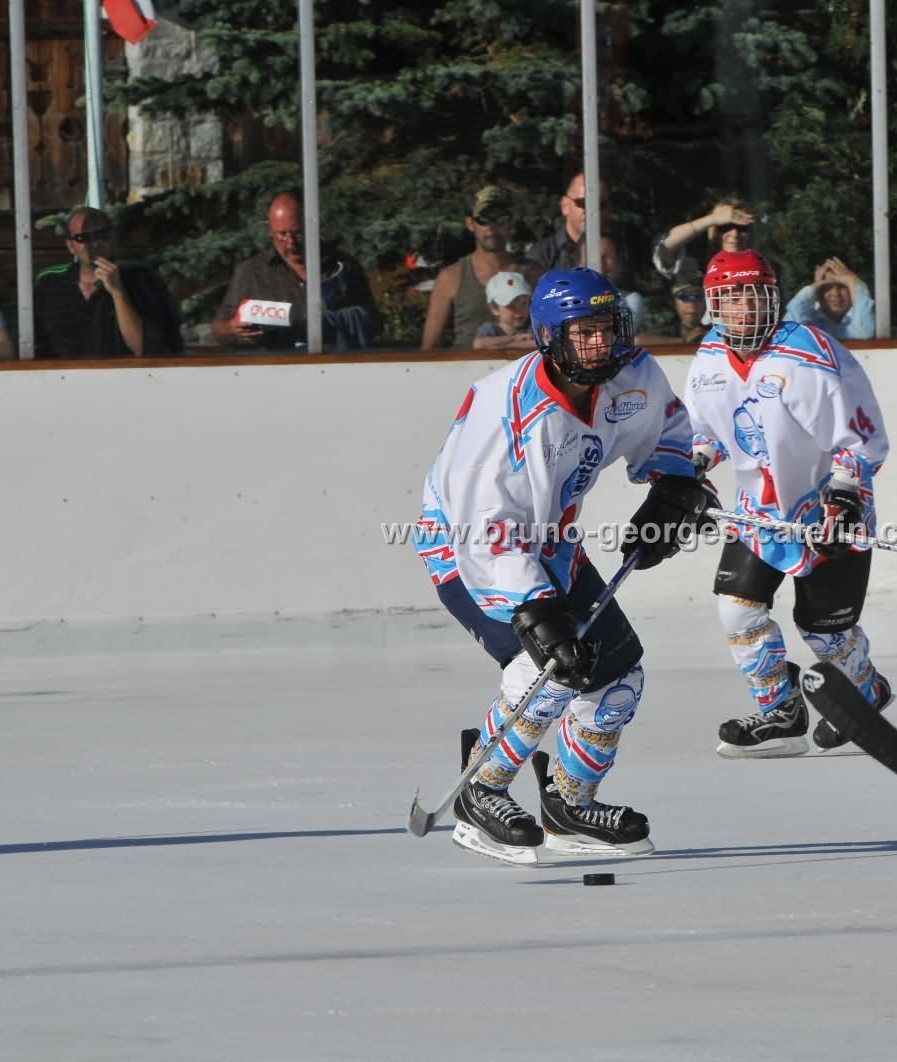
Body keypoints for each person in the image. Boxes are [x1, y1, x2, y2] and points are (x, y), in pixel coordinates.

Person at [414, 267, 713, 864]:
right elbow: (483, 530)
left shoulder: (632, 375)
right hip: (469, 549)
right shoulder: (505, 412)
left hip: (551, 542)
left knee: (617, 677)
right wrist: (536, 608)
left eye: (608, 327)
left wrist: (674, 485)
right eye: (584, 332)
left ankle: (570, 806)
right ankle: (481, 792)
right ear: (550, 337)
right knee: (547, 668)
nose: (601, 343)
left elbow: (670, 429)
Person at [683, 248, 894, 757]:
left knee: (824, 632)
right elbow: (705, 432)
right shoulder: (709, 358)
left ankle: (866, 690)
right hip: (758, 512)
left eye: (754, 295)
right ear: (714, 305)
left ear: (773, 298)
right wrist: (690, 471)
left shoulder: (809, 354)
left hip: (825, 510)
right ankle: (781, 710)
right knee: (737, 610)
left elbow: (861, 439)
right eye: (732, 298)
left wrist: (842, 498)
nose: (744, 308)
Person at [212, 192, 378, 352]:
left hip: (332, 365)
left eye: (298, 233)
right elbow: (218, 329)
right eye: (282, 234)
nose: (290, 242)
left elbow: (372, 322)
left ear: (312, 227)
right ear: (270, 231)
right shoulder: (250, 272)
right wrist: (231, 330)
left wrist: (327, 323)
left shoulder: (342, 266)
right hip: (273, 367)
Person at [35, 206, 183, 359]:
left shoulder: (141, 279)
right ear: (70, 246)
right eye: (82, 238)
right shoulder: (50, 282)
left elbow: (147, 349)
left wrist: (118, 292)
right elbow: (35, 344)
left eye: (101, 235)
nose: (94, 243)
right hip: (63, 373)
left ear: (112, 238)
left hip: (124, 373)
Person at [420, 185, 521, 351]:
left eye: (500, 219)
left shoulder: (534, 274)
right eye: (483, 219)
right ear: (470, 223)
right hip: (466, 366)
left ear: (510, 222)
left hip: (521, 366)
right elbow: (429, 348)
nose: (491, 226)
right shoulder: (451, 277)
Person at [650, 199, 755, 280]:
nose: (735, 234)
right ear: (714, 231)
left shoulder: (759, 268)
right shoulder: (694, 268)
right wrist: (712, 219)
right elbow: (664, 249)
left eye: (742, 228)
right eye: (725, 227)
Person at [785, 257, 874, 341]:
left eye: (842, 285)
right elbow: (789, 334)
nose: (835, 293)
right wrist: (813, 288)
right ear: (817, 290)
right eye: (827, 286)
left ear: (852, 288)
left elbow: (864, 335)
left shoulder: (864, 316)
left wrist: (853, 280)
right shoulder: (808, 320)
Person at [472, 270, 533, 353]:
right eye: (511, 305)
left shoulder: (533, 327)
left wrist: (503, 345)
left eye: (524, 303)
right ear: (495, 309)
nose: (519, 310)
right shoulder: (489, 329)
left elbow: (541, 343)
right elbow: (479, 344)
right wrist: (515, 338)